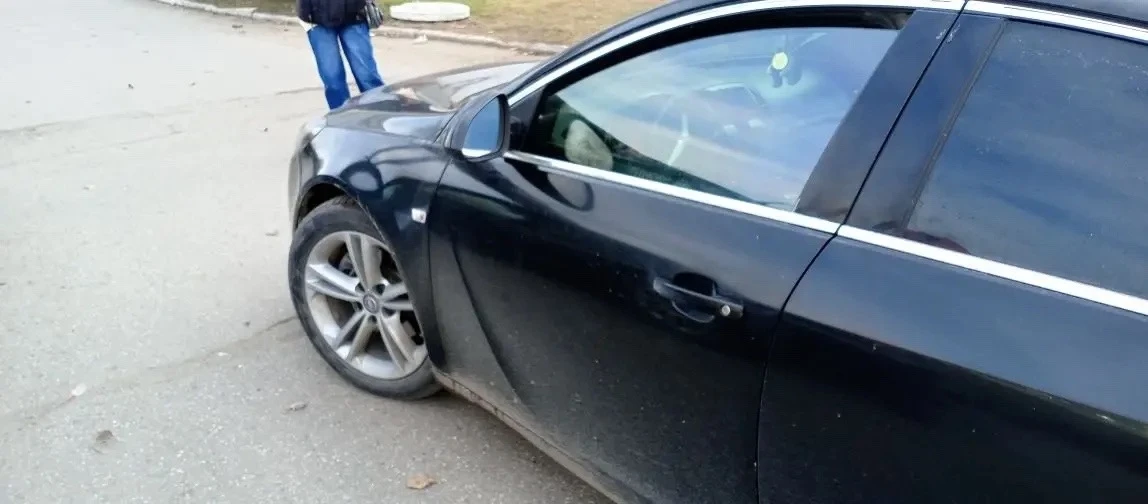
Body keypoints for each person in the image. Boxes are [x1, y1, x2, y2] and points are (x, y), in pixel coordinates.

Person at [296, 0, 385, 109]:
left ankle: (381, 113)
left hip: (354, 14)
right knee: (333, 80)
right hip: (316, 17)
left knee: (367, 76)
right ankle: (342, 116)